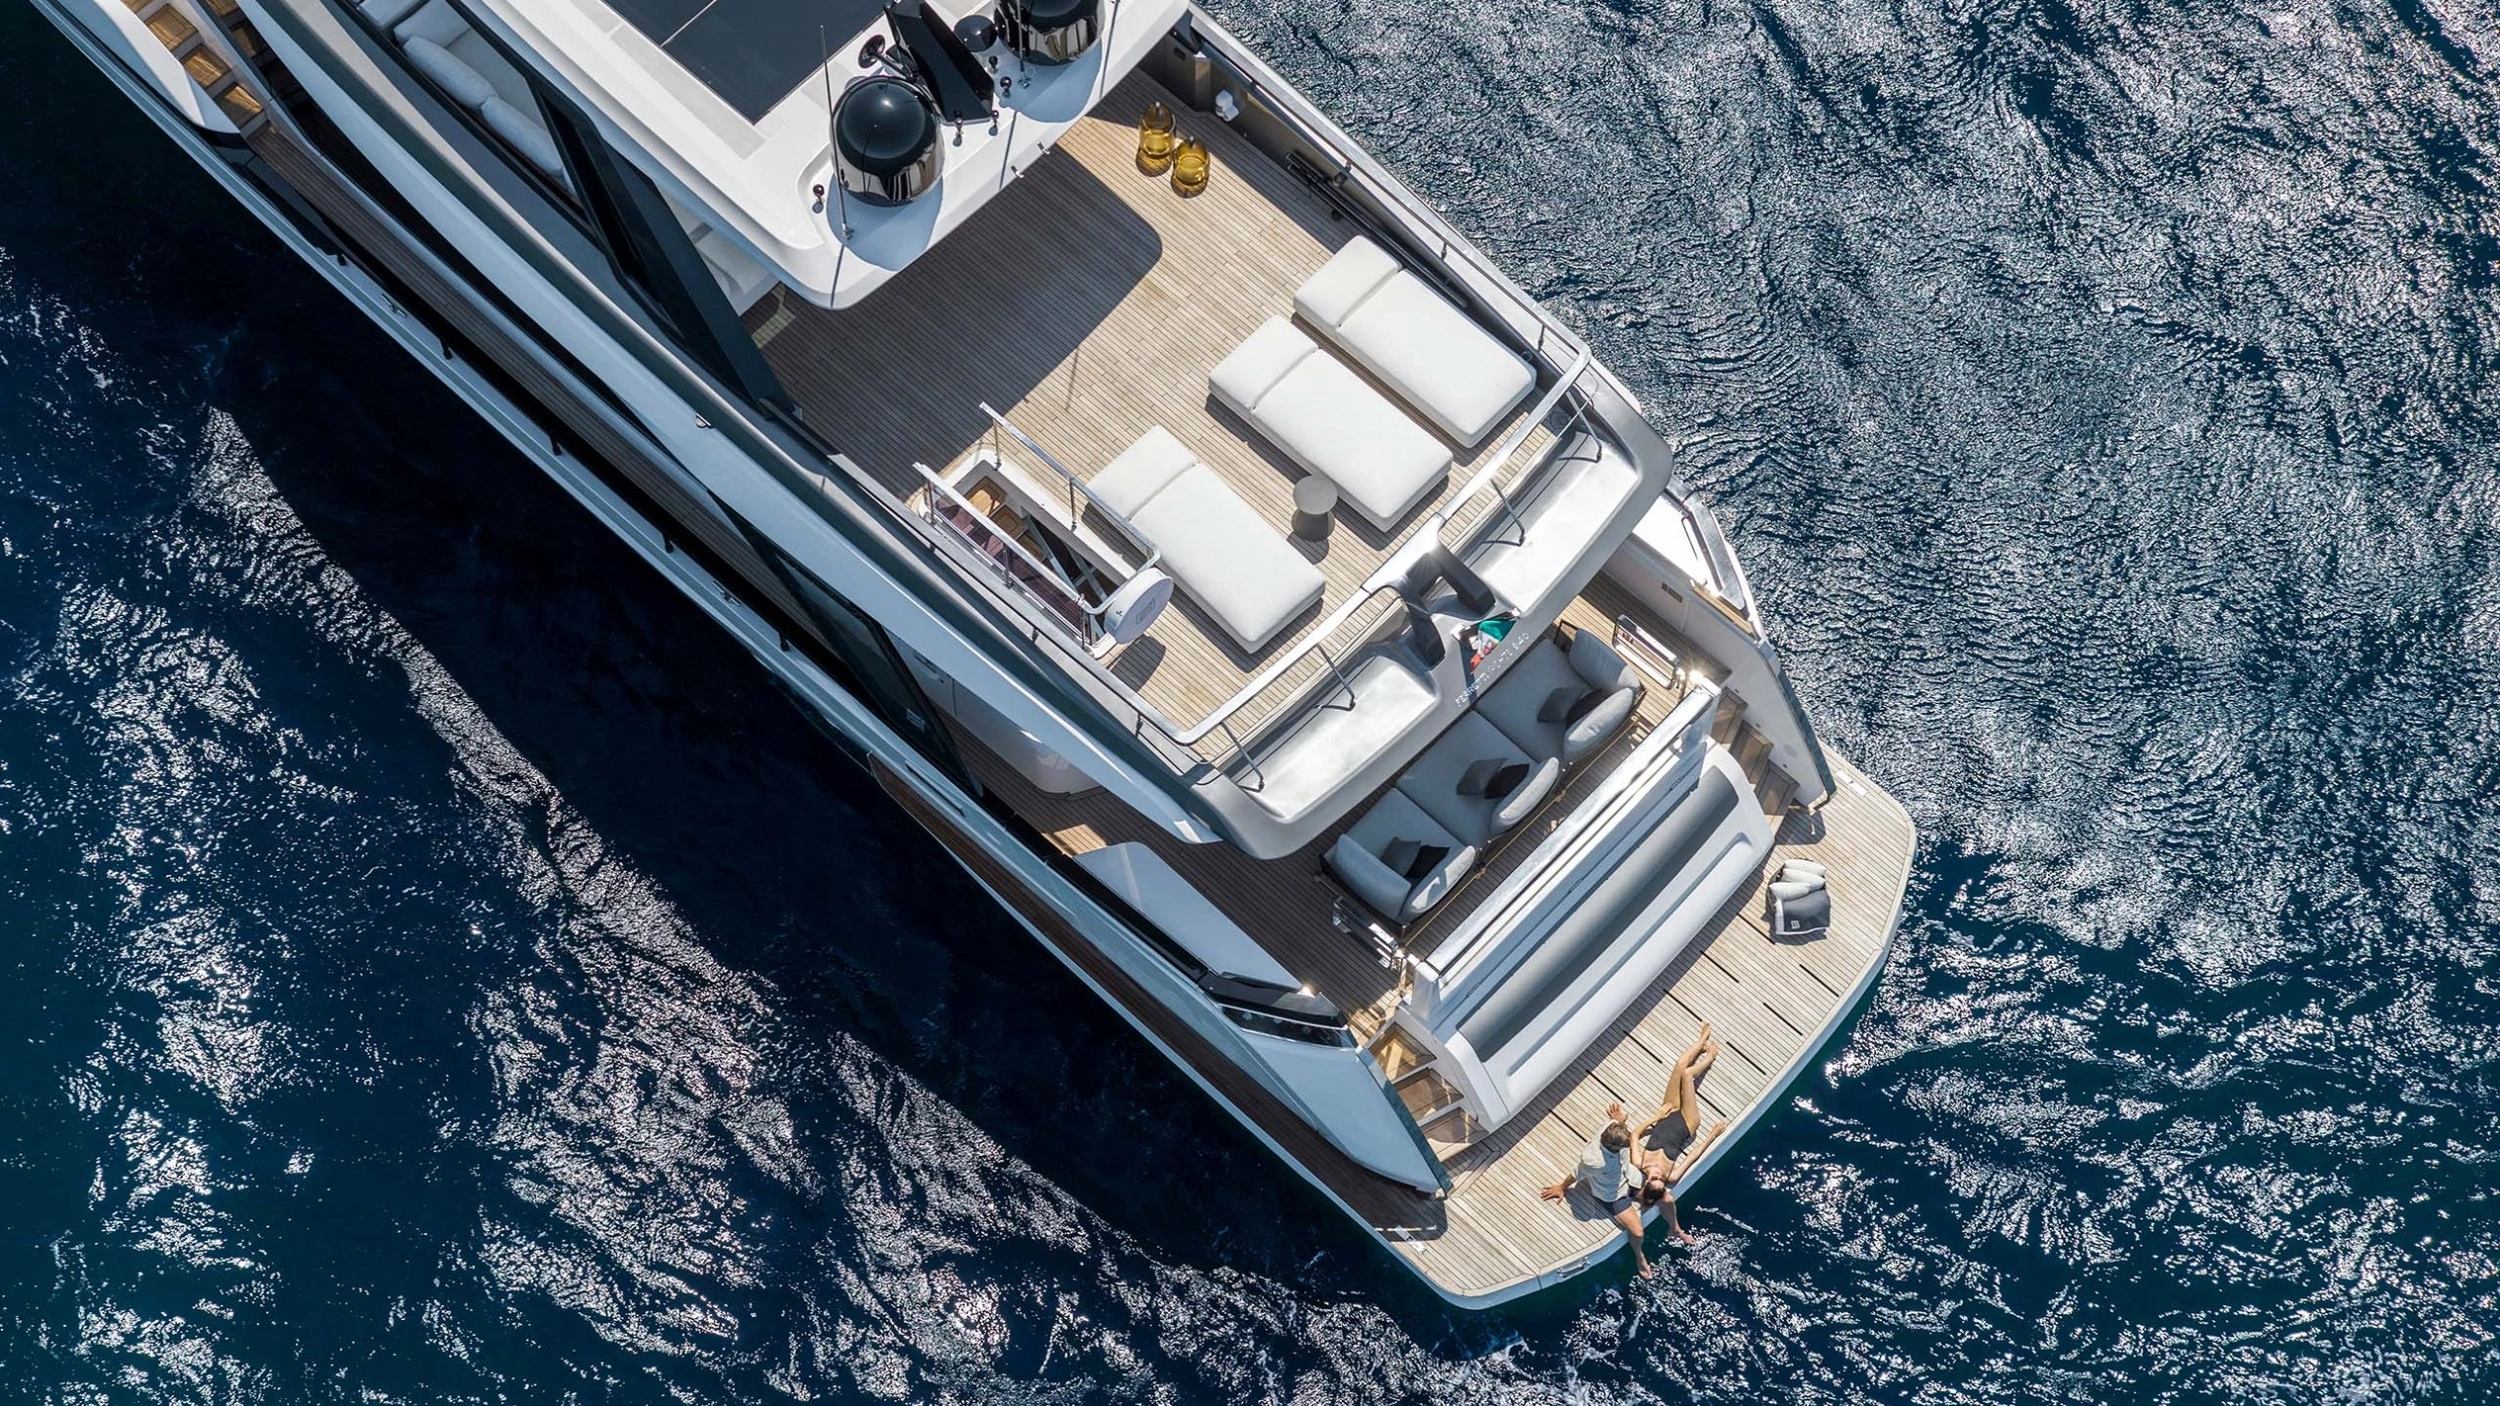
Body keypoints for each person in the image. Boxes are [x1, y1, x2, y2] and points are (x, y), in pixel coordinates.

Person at [1630, 1025, 1731, 1246]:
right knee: (1687, 1075)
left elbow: (1635, 1135)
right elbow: (1692, 1157)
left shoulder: (1639, 1162)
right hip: (1687, 1121)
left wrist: (1656, 1117)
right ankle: (1709, 1058)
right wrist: (1712, 1136)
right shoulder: (1672, 1176)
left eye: (1653, 1179)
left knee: (1679, 1066)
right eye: (1660, 1181)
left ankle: (1700, 1042)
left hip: (1667, 1112)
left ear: (1647, 1183)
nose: (1657, 1176)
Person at [1539, 1114, 1654, 1278]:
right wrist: (1562, 1187)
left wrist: (1618, 1120)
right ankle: (1640, 1259)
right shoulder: (1595, 1161)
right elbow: (1578, 1172)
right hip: (1614, 1195)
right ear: (1615, 1146)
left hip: (1630, 1177)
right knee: (1637, 1232)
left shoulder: (1612, 1128)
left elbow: (1616, 1124)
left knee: (1658, 1195)